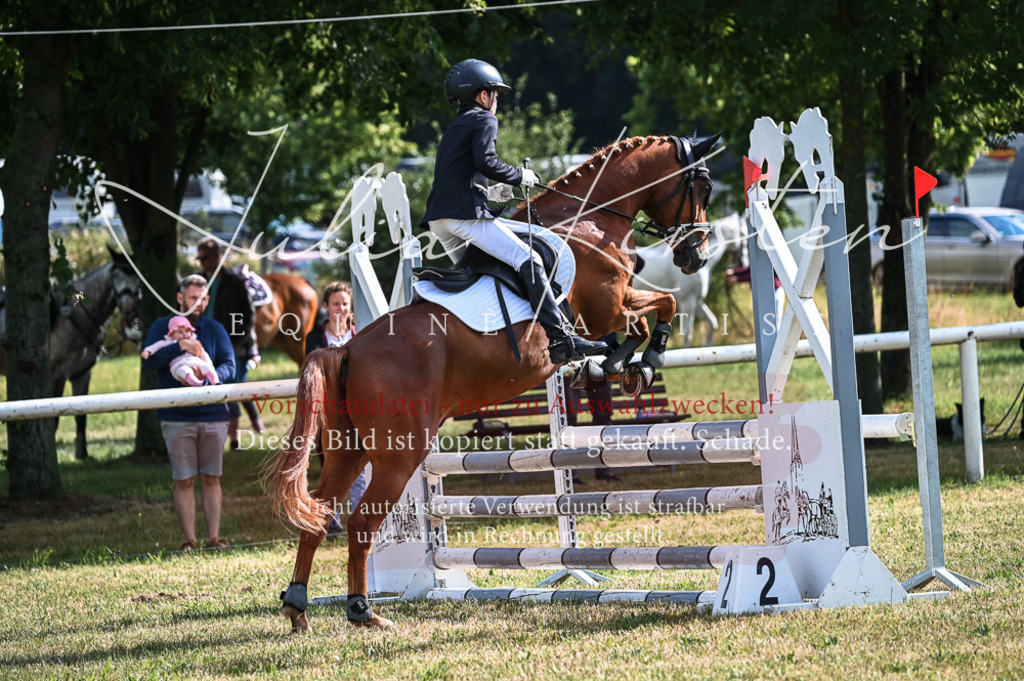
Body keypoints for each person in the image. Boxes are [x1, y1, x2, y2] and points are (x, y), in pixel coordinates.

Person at [420, 58, 607, 365]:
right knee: (528, 258)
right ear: (483, 96)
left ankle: (485, 340)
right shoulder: (483, 119)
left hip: (440, 219)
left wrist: (493, 193)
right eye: (495, 94)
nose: (496, 102)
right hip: (465, 217)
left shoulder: (454, 127)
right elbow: (486, 163)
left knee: (482, 274)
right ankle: (560, 339)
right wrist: (521, 176)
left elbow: (457, 177)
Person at [142, 274, 236, 551]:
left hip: (213, 414)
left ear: (208, 300)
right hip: (176, 417)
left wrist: (207, 380)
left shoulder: (215, 329)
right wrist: (180, 346)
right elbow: (149, 361)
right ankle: (190, 541)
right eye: (192, 297)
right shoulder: (162, 327)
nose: (197, 303)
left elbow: (229, 366)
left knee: (212, 477)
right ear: (180, 298)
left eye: (202, 298)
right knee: (184, 480)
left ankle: (214, 538)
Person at [305, 281, 366, 535]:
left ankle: (364, 517)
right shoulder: (315, 336)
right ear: (327, 306)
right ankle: (331, 519)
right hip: (328, 407)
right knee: (331, 462)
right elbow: (311, 367)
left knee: (361, 463)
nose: (340, 308)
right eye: (336, 304)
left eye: (345, 304)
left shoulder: (361, 333)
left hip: (359, 405)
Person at [195, 237, 263, 449]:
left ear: (217, 257)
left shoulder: (234, 283)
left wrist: (234, 342)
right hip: (206, 346)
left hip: (236, 348)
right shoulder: (197, 282)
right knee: (216, 389)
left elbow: (247, 316)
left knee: (233, 389)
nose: (202, 263)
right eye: (199, 259)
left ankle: (234, 440)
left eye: (205, 258)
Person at [141, 315, 220, 386]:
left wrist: (208, 363)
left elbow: (203, 353)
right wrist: (147, 352)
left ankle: (215, 381)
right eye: (180, 332)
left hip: (196, 362)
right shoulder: (169, 342)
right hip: (179, 364)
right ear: (172, 334)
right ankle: (197, 383)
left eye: (187, 331)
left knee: (207, 368)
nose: (185, 334)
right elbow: (156, 346)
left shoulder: (194, 341)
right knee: (185, 372)